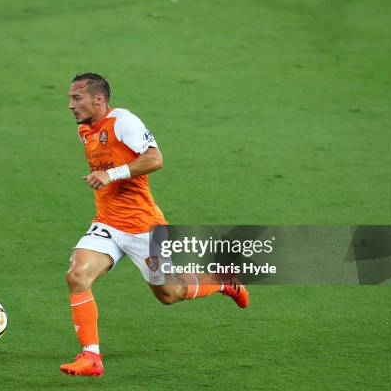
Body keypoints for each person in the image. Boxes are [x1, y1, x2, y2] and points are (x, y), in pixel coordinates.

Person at [60, 73, 250, 377]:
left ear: (98, 99)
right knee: (77, 275)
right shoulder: (85, 130)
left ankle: (222, 281)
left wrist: (112, 174)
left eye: (76, 98)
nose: (70, 104)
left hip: (144, 228)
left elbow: (155, 159)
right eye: (70, 98)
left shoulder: (123, 121)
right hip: (107, 223)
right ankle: (91, 358)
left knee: (169, 294)